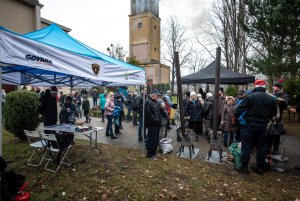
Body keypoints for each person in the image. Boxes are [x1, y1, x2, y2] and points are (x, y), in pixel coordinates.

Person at [236, 80, 277, 175]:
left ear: (255, 86)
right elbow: (274, 113)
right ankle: (259, 167)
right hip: (262, 126)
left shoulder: (250, 96)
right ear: (264, 87)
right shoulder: (271, 99)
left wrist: (241, 118)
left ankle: (244, 167)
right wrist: (266, 118)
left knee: (246, 146)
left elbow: (239, 109)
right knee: (261, 147)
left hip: (249, 125)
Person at [268, 81, 289, 154]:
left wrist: (278, 99)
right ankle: (268, 149)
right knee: (269, 134)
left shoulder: (284, 95)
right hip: (269, 118)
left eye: (274, 86)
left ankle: (276, 149)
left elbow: (285, 105)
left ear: (278, 87)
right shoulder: (270, 94)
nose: (272, 87)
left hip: (277, 118)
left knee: (276, 134)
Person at [145, 90, 162, 159]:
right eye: (157, 95)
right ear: (153, 96)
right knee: (151, 139)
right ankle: (150, 154)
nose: (158, 96)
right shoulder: (148, 102)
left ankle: (154, 153)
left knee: (155, 140)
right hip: (152, 124)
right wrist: (156, 120)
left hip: (157, 124)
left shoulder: (156, 102)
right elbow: (148, 114)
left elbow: (158, 112)